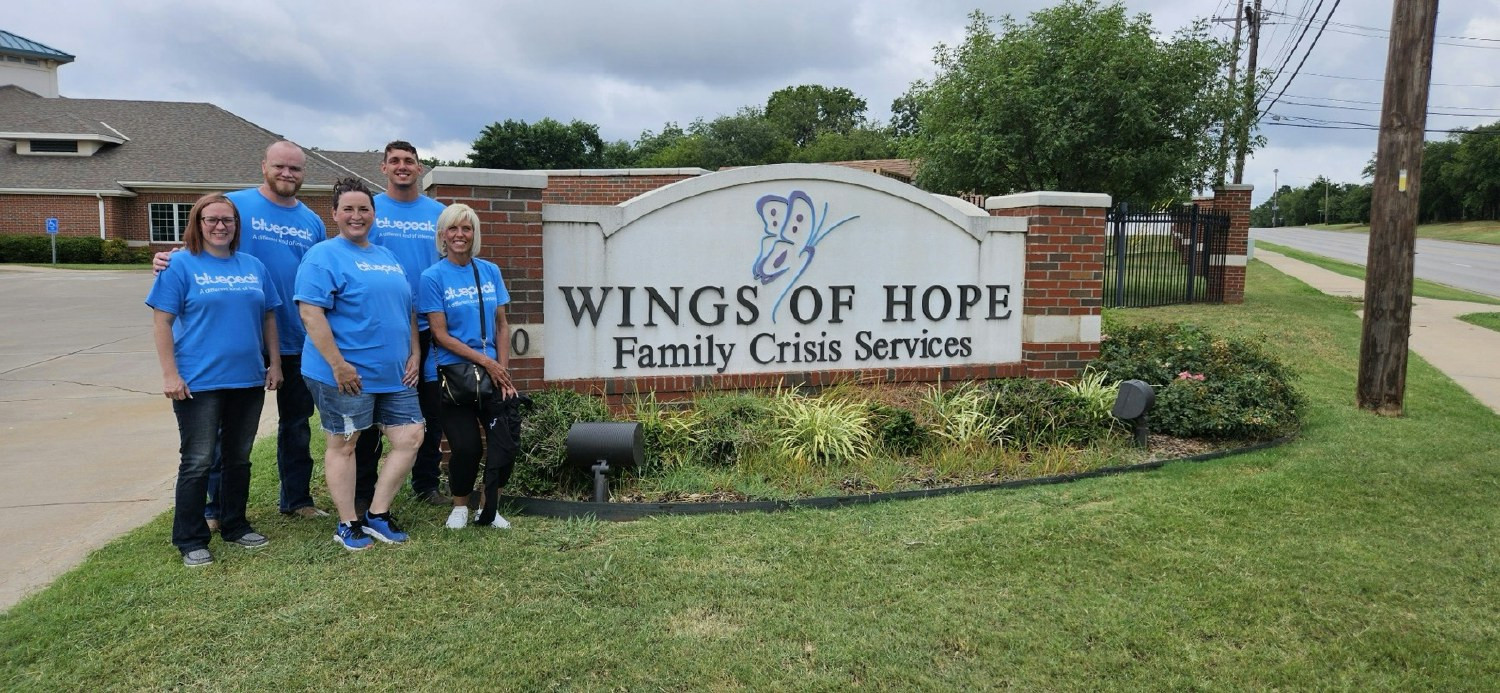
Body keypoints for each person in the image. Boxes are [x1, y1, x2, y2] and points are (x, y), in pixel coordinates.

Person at [154, 140, 330, 522]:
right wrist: (166, 257)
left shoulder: (312, 221)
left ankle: (297, 499)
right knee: (221, 433)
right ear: (264, 165)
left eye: (296, 169)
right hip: (239, 340)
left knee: (297, 425)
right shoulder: (235, 206)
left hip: (296, 337)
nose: (287, 174)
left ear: (303, 174)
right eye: (280, 166)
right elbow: (201, 242)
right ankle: (217, 508)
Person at [146, 194, 283, 567]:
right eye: (212, 219)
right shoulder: (179, 266)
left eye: (228, 220)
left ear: (237, 225)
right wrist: (170, 374)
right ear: (198, 223)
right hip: (198, 383)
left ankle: (235, 524)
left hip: (247, 380)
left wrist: (275, 364)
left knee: (238, 458)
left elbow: (269, 316)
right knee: (198, 460)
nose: (220, 226)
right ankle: (190, 538)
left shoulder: (253, 266)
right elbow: (162, 322)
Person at [295, 177, 423, 550]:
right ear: (334, 214)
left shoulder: (386, 255)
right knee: (345, 444)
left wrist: (414, 352)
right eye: (348, 209)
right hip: (345, 374)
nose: (356, 215)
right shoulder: (323, 256)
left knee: (410, 436)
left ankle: (377, 515)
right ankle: (347, 523)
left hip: (394, 373)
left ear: (374, 214)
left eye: (363, 209)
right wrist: (338, 365)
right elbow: (311, 313)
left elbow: (407, 310)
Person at [353, 141, 448, 513]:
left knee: (430, 410)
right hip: (383, 328)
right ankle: (365, 489)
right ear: (383, 167)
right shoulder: (371, 211)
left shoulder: (437, 213)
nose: (402, 166)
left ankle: (426, 483)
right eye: (395, 161)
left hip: (430, 326)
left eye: (409, 161)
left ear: (420, 168)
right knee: (371, 412)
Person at [419, 203, 520, 529]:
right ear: (442, 235)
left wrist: (502, 371)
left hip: (493, 374)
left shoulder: (490, 271)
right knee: (465, 447)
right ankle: (460, 505)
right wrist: (487, 362)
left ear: (474, 234)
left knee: (505, 444)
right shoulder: (432, 277)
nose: (460, 235)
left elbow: (502, 325)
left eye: (467, 228)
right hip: (452, 375)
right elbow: (439, 334)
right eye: (453, 229)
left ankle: (489, 508)